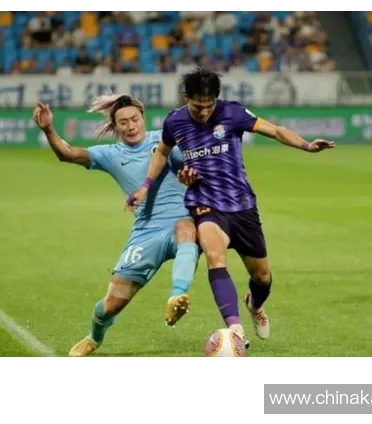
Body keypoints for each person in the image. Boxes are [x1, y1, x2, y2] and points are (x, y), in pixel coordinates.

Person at [126, 68, 335, 345]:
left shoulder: (232, 113)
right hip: (205, 203)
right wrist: (145, 186)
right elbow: (162, 153)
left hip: (242, 205)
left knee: (262, 277)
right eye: (198, 106)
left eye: (209, 105)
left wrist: (306, 146)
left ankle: (255, 306)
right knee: (215, 257)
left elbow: (274, 130)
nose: (204, 111)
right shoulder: (175, 121)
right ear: (187, 98)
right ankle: (235, 329)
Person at [32, 95, 200, 357]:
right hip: (145, 233)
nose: (131, 126)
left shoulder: (164, 140)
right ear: (116, 126)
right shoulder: (110, 154)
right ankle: (94, 337)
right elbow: (68, 154)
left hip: (180, 220)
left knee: (187, 229)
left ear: (143, 118)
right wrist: (48, 129)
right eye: (124, 122)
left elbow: (192, 165)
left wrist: (190, 173)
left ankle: (177, 296)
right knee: (111, 305)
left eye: (135, 119)